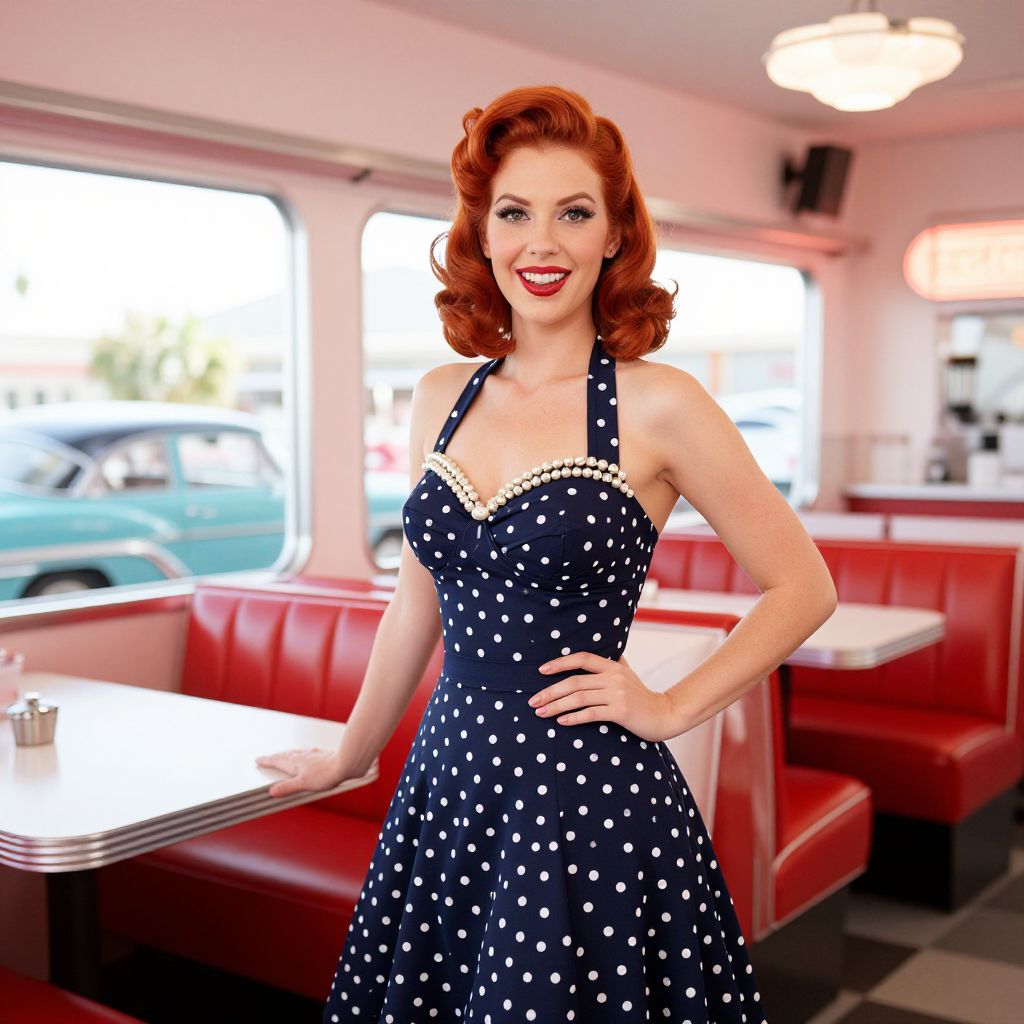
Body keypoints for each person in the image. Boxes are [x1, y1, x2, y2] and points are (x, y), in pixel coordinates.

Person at [256, 84, 837, 1023]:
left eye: (574, 213)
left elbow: (803, 587)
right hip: (449, 780)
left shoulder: (661, 403)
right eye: (514, 213)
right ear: (482, 235)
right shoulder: (441, 394)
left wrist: (669, 706)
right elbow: (416, 604)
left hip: (585, 798)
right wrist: (350, 756)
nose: (542, 243)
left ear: (615, 234)